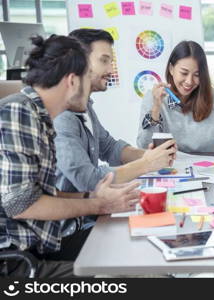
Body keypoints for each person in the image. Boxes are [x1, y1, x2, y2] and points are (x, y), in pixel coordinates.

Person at [0, 35, 140, 277]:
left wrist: (93, 195)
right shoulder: (18, 111)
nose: (92, 85)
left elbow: (40, 193)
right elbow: (21, 204)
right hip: (17, 262)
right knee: (122, 276)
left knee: (133, 250)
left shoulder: (42, 117)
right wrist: (98, 203)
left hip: (44, 245)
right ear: (73, 81)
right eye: (88, 77)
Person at [54, 29, 176, 196]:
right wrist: (147, 163)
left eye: (111, 62)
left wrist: (150, 155)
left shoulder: (86, 107)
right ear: (79, 62)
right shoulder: (63, 116)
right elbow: (88, 180)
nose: (111, 70)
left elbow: (110, 148)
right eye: (104, 61)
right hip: (78, 218)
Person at [136, 40, 214, 166]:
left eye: (197, 75)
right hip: (171, 169)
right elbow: (143, 147)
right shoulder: (154, 97)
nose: (189, 81)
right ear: (171, 69)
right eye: (184, 73)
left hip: (208, 170)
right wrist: (155, 109)